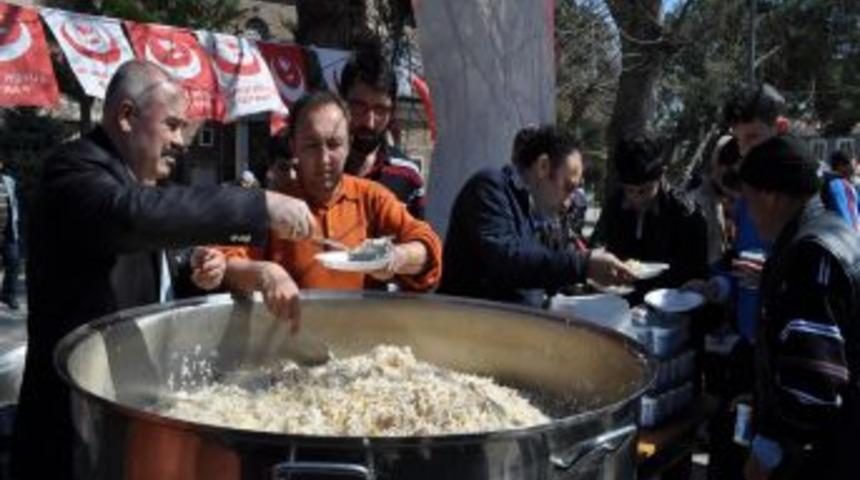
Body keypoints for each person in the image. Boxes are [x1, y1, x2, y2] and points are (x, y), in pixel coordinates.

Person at [12, 60, 316, 480]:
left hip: (130, 416)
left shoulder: (143, 185)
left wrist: (204, 267)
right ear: (126, 115)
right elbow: (129, 219)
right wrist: (256, 204)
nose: (180, 141)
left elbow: (165, 252)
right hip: (72, 429)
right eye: (171, 125)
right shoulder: (73, 170)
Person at [219, 91, 442, 294]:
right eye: (312, 145)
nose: (324, 159)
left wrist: (396, 257)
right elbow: (227, 261)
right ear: (294, 146)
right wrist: (264, 274)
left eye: (334, 144)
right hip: (290, 333)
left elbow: (428, 247)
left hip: (363, 334)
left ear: (348, 144)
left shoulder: (372, 198)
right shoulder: (276, 206)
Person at [737, 135, 859, 480]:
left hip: (827, 457)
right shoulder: (822, 232)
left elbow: (814, 384)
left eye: (748, 199)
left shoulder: (811, 253)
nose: (745, 211)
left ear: (771, 196)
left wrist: (766, 452)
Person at [438, 125, 635, 307]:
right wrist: (583, 265)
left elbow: (541, 270)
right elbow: (509, 261)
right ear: (543, 167)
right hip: (467, 327)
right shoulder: (489, 188)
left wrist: (586, 275)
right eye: (568, 187)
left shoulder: (535, 208)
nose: (570, 201)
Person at [591, 134, 709, 297]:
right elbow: (601, 243)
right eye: (629, 190)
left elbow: (695, 273)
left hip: (670, 304)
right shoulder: (616, 204)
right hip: (620, 301)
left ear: (661, 175)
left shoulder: (685, 213)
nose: (636, 198)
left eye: (644, 190)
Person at [339, 46, 426, 218]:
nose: (369, 122)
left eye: (380, 110)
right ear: (340, 101)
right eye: (359, 106)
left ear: (392, 111)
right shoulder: (315, 167)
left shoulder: (408, 175)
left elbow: (422, 240)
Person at [0, 159, 21, 309]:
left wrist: (15, 222)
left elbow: (13, 203)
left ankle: (8, 294)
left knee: (13, 261)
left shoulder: (9, 181)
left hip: (8, 231)